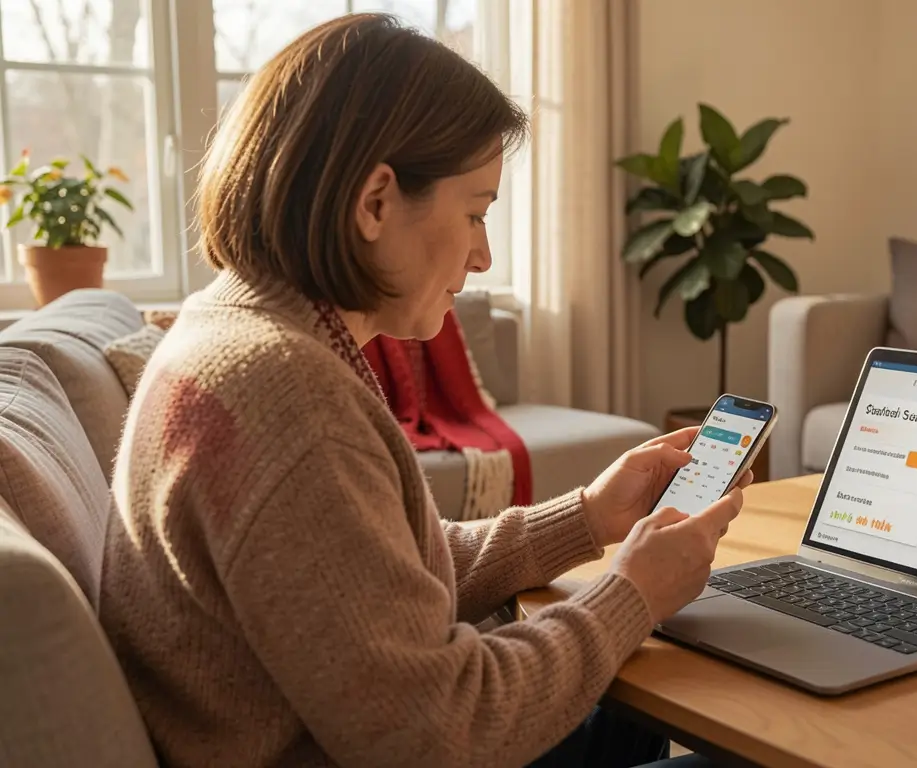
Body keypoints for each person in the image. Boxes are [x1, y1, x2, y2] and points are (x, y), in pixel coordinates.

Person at [97, 12, 746, 768]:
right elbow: (437, 731)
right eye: (474, 213)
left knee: (643, 678)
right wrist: (632, 593)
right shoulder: (287, 397)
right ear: (375, 202)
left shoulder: (235, 330)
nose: (483, 254)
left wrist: (588, 517)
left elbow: (379, 582)